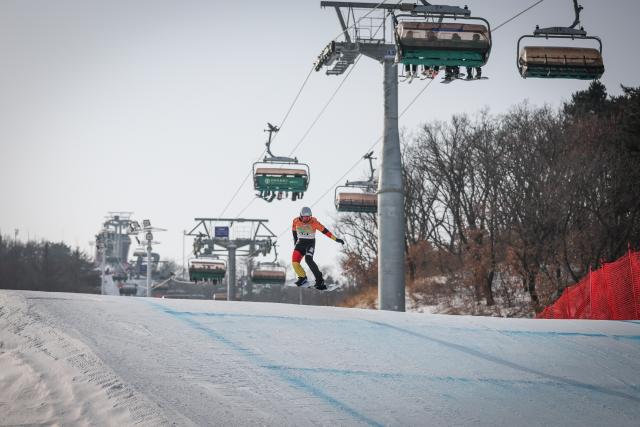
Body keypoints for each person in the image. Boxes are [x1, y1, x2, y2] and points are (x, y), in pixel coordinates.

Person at [291, 206, 344, 290]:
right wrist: (295, 240)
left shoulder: (314, 222)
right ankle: (302, 278)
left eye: (308, 217)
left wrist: (336, 239)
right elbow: (293, 230)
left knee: (308, 259)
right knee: (294, 263)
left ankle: (320, 280)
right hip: (300, 243)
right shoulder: (296, 221)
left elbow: (325, 232)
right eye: (305, 217)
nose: (307, 219)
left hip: (310, 243)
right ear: (301, 216)